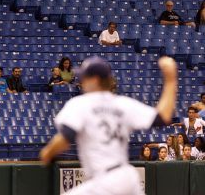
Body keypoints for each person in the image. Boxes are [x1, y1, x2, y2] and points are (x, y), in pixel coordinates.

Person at [40, 55, 177, 195]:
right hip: (127, 177)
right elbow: (163, 117)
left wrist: (47, 152)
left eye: (84, 78)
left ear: (95, 80)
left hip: (104, 180)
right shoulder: (123, 103)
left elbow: (65, 139)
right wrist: (171, 79)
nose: (81, 81)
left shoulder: (80, 103)